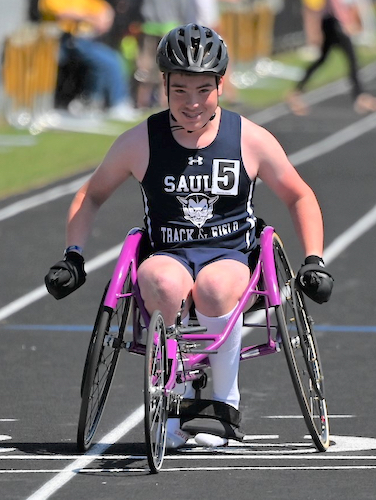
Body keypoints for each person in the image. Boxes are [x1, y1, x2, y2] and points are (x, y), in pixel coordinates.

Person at [45, 24, 333, 448]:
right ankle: (171, 399)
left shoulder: (249, 138)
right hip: (170, 253)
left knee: (216, 287)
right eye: (180, 90)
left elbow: (300, 195)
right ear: (164, 85)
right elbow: (90, 195)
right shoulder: (141, 140)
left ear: (220, 85)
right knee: (158, 280)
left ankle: (223, 397)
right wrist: (73, 255)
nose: (192, 103)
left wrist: (313, 260)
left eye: (203, 90)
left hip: (233, 256)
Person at [38, 0, 140, 121]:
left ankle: (91, 101)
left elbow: (104, 12)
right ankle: (117, 103)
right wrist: (89, 17)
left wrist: (90, 17)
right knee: (110, 62)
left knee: (110, 60)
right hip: (62, 41)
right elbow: (62, 14)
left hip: (87, 40)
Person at [288, 0, 376, 115]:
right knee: (352, 60)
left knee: (323, 60)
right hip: (334, 23)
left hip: (330, 22)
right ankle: (360, 97)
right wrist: (345, 23)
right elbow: (334, 4)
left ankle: (296, 91)